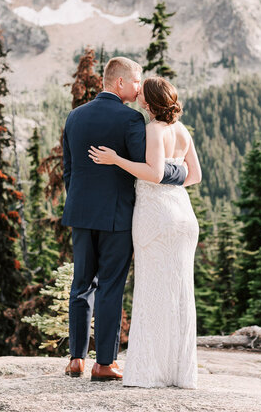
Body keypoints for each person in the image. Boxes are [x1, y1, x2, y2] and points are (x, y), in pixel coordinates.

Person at [61, 57, 187, 381]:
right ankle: (104, 363)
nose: (139, 86)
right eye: (136, 81)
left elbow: (69, 171)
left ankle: (76, 358)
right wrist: (182, 170)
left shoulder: (74, 117)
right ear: (120, 83)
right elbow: (149, 169)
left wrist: (79, 201)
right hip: (116, 216)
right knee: (110, 286)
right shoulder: (130, 120)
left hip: (80, 213)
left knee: (81, 284)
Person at [89, 76, 201, 388]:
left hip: (156, 215)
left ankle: (150, 372)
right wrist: (171, 177)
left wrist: (116, 159)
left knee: (152, 289)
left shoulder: (153, 129)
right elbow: (195, 176)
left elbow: (152, 172)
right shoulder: (182, 130)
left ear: (149, 104)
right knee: (180, 292)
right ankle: (180, 373)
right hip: (183, 215)